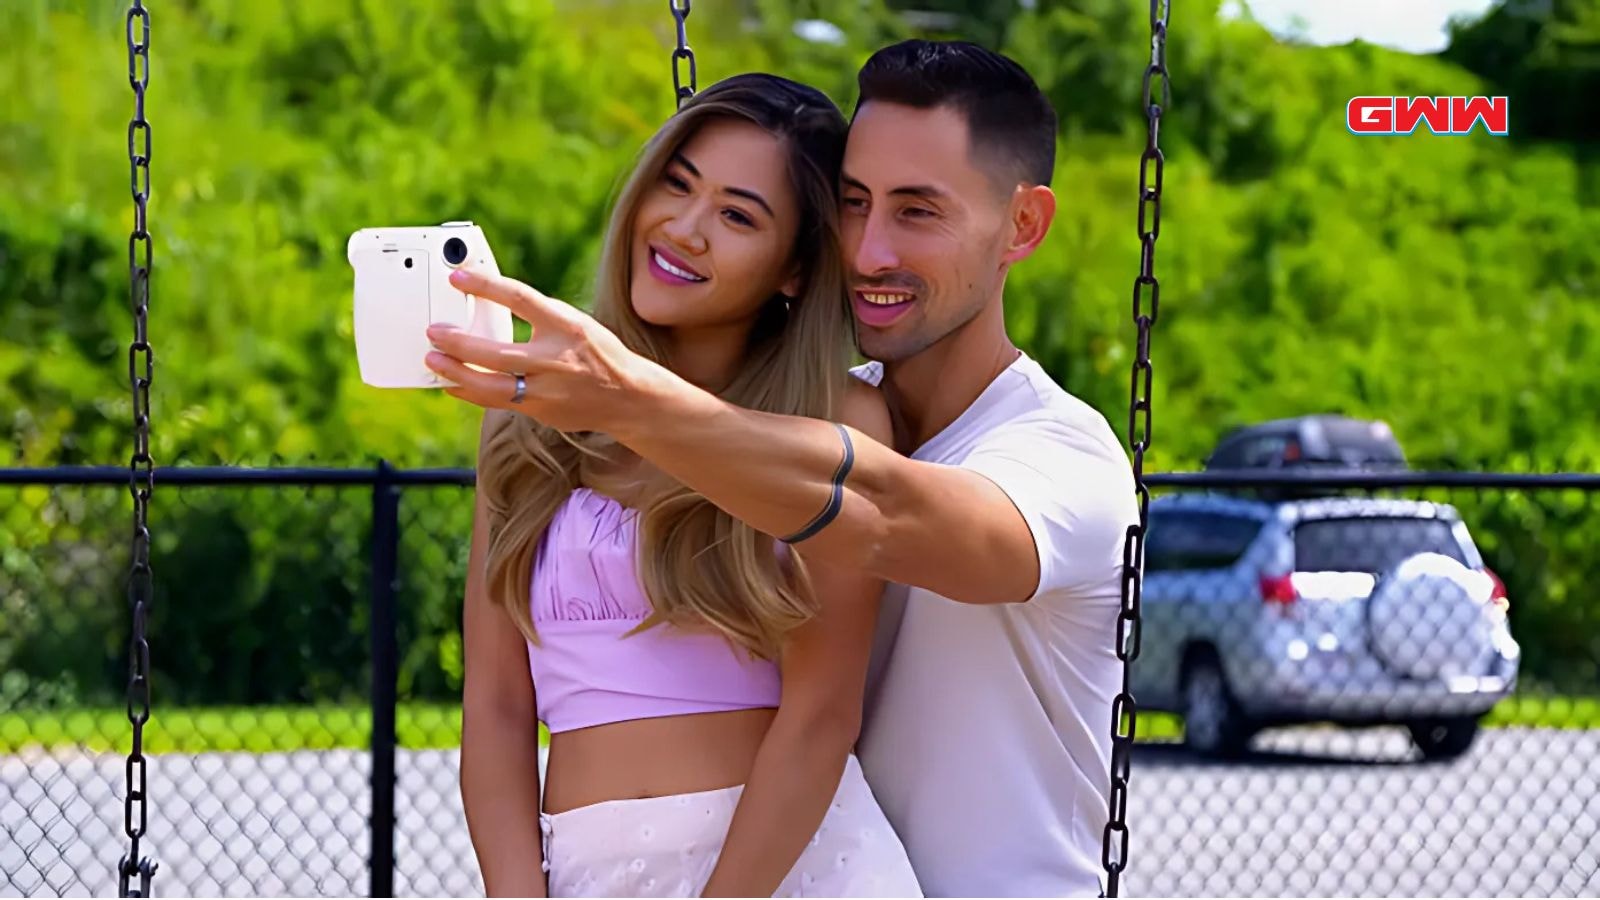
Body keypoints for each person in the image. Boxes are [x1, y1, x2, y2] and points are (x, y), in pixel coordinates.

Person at [431, 41, 1138, 898]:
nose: (868, 251)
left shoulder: (1060, 452)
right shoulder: (748, 426)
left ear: (1021, 226)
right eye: (852, 205)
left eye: (917, 212)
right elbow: (497, 706)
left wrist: (624, 397)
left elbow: (880, 518)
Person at [454, 72, 922, 899]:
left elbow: (820, 715)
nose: (685, 228)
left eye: (738, 215)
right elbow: (494, 704)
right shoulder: (531, 414)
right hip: (587, 876)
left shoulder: (833, 421)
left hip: (788, 874)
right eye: (677, 185)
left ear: (792, 270)